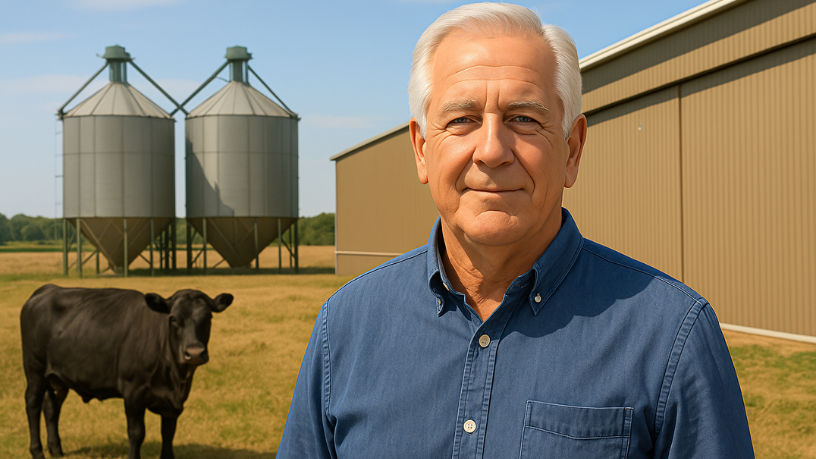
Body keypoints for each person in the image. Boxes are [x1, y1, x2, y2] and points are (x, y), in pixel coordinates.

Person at [277, 3, 754, 458]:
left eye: (523, 119)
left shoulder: (672, 335)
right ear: (422, 150)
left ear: (572, 149)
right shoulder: (344, 327)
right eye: (461, 119)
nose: (491, 150)